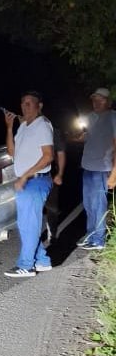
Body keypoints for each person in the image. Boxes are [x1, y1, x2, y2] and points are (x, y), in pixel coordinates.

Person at [3, 90, 54, 278]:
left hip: (36, 181)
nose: (25, 107)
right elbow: (11, 152)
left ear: (39, 105)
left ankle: (26, 265)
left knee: (28, 225)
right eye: (23, 103)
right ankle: (42, 260)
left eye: (29, 103)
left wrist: (24, 176)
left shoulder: (42, 125)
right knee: (26, 224)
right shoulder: (24, 126)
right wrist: (9, 127)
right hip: (26, 181)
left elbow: (48, 157)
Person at [76, 87, 116, 251]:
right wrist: (81, 137)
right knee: (88, 204)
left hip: (102, 168)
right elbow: (88, 137)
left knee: (99, 204)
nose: (96, 102)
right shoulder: (91, 117)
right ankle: (91, 234)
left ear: (108, 102)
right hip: (88, 167)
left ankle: (99, 240)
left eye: (100, 100)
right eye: (94, 99)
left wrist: (114, 175)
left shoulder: (113, 117)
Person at [43, 124, 67, 246]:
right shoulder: (25, 128)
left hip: (50, 173)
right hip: (31, 174)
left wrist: (60, 174)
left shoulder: (54, 131)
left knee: (52, 207)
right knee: (34, 208)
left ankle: (52, 234)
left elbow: (61, 153)